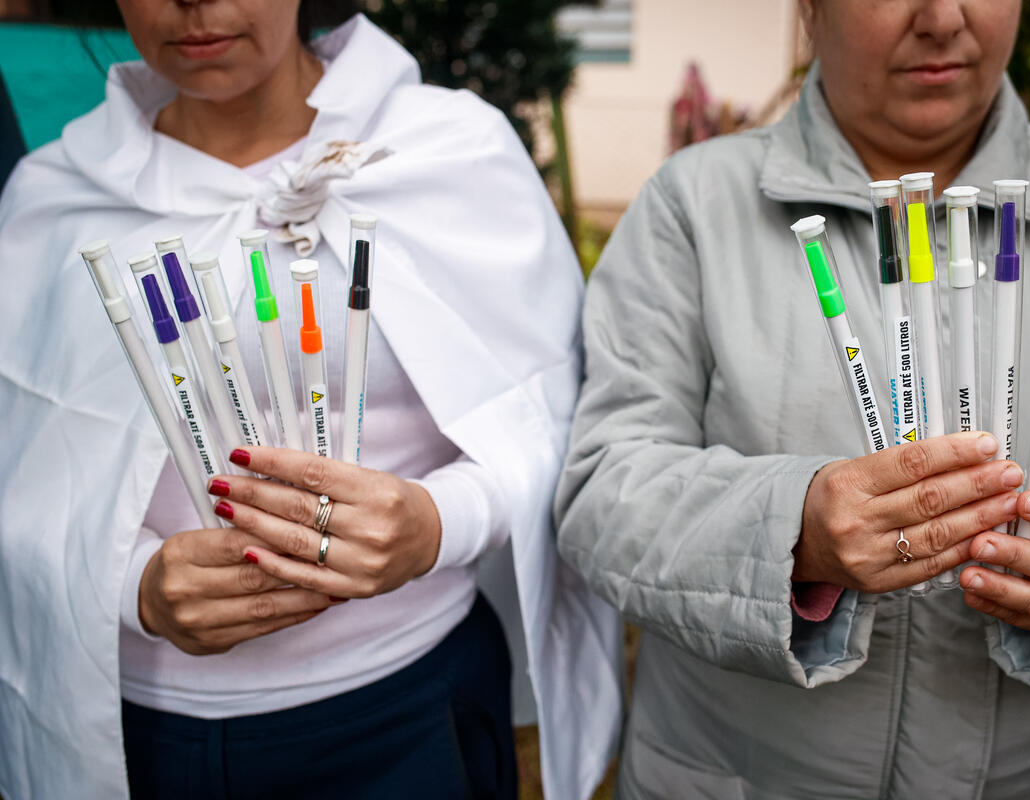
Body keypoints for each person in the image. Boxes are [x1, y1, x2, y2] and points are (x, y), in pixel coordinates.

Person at [554, 0, 1030, 797]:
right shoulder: (696, 205)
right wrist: (794, 534)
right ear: (810, 10)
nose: (943, 18)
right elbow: (605, 483)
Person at [0, 4, 621, 799]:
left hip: (409, 712)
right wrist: (136, 590)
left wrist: (437, 521)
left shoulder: (448, 150)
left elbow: (558, 412)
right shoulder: (55, 196)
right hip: (147, 735)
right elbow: (24, 468)